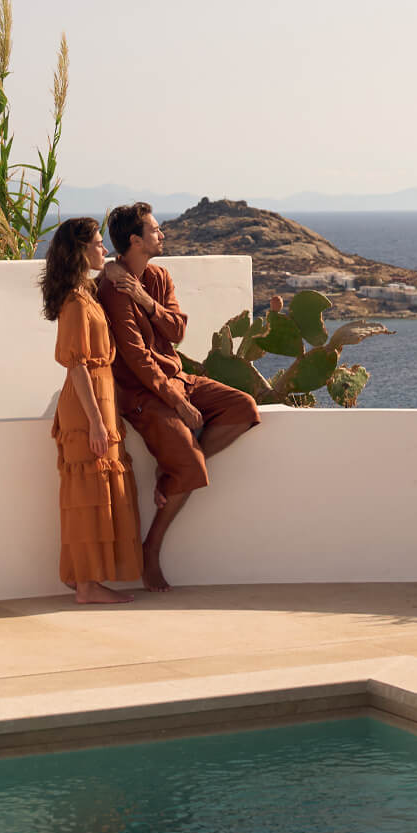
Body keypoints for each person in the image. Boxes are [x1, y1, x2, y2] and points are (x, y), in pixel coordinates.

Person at [98, 201, 261, 591]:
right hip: (144, 393)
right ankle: (151, 549)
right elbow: (136, 358)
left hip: (179, 377)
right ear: (135, 240)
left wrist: (146, 300)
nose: (162, 234)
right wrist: (177, 402)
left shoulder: (157, 277)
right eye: (155, 230)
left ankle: (173, 467)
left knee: (244, 408)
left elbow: (177, 331)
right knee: (190, 467)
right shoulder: (112, 287)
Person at [41, 217, 142, 604]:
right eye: (99, 244)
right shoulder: (74, 302)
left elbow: (112, 269)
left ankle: (86, 579)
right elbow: (77, 365)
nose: (105, 249)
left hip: (100, 399)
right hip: (87, 406)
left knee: (100, 491)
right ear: (82, 251)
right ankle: (86, 584)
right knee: (88, 493)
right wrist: (98, 423)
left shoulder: (86, 292)